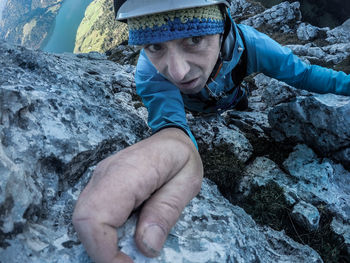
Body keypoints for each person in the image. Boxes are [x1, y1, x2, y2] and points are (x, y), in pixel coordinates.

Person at [72, 0, 350, 262]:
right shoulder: (149, 73)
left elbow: (303, 74)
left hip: (233, 98)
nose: (178, 73)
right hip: (209, 105)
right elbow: (171, 123)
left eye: (194, 39)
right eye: (154, 46)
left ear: (222, 29)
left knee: (239, 104)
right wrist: (177, 148)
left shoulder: (252, 46)